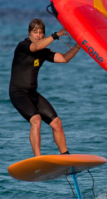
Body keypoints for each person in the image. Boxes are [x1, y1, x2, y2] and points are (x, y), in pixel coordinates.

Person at [9, 18, 81, 157]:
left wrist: (79, 44)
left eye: (41, 33)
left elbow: (65, 58)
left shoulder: (43, 52)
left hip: (33, 94)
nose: (38, 35)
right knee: (36, 119)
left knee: (56, 123)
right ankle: (38, 158)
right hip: (18, 94)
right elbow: (36, 47)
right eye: (35, 32)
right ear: (29, 33)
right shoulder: (22, 46)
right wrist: (56, 35)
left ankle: (65, 155)